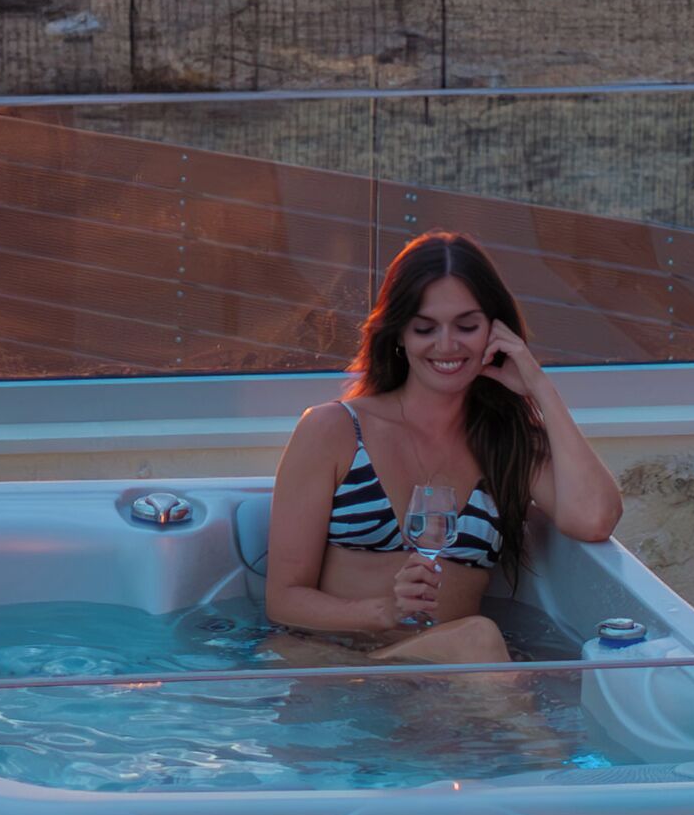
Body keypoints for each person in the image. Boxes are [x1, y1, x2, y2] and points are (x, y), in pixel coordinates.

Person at [262, 231, 621, 664]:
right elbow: (283, 599)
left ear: (495, 330)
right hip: (338, 668)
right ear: (398, 334)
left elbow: (595, 519)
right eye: (425, 328)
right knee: (478, 640)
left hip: (443, 683)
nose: (447, 345)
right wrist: (381, 612)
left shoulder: (507, 441)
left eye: (467, 326)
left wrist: (539, 387)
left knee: (475, 645)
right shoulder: (333, 430)